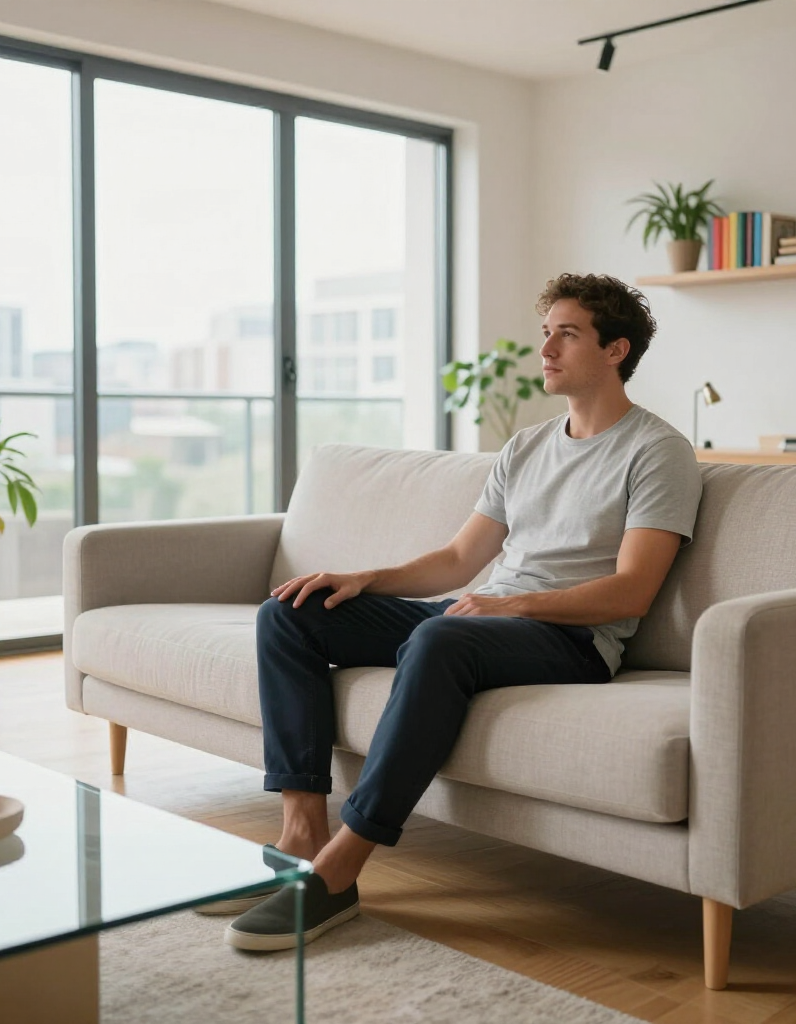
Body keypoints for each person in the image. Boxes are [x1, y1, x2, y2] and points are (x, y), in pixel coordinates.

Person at [219, 272, 703, 951]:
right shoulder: (528, 447)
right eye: (546, 333)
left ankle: (339, 873)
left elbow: (632, 591)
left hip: (574, 639)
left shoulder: (658, 452)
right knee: (292, 612)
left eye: (567, 334)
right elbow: (456, 559)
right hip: (479, 618)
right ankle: (301, 835)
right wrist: (364, 579)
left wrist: (511, 604)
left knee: (442, 638)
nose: (547, 349)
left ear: (616, 349)